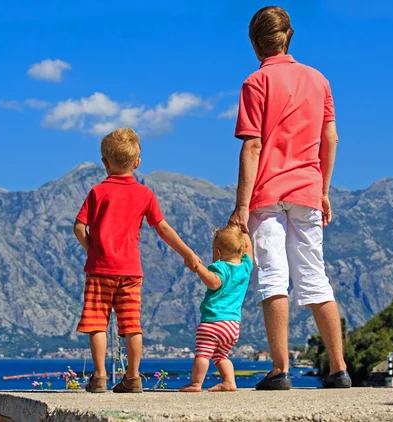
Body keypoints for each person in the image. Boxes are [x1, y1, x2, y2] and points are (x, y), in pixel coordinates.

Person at [228, 6, 351, 390]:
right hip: (308, 189)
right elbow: (329, 139)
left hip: (267, 193)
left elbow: (252, 146)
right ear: (290, 37)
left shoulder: (255, 83)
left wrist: (241, 207)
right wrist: (324, 189)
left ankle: (280, 371)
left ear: (254, 42)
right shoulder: (319, 80)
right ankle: (339, 368)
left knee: (274, 279)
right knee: (316, 280)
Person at [73, 127, 200, 393]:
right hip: (131, 271)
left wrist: (91, 249)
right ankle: (132, 378)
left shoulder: (97, 192)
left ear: (105, 163)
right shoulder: (145, 194)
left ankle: (98, 377)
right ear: (137, 163)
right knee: (132, 325)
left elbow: (78, 227)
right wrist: (187, 253)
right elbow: (163, 228)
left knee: (97, 322)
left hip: (100, 269)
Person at [180, 225, 253, 393]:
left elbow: (214, 282)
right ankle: (229, 382)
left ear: (218, 253)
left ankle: (196, 383)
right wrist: (243, 231)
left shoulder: (220, 267)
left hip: (213, 322)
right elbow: (249, 250)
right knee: (221, 356)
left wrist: (199, 268)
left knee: (203, 354)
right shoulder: (246, 267)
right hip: (233, 325)